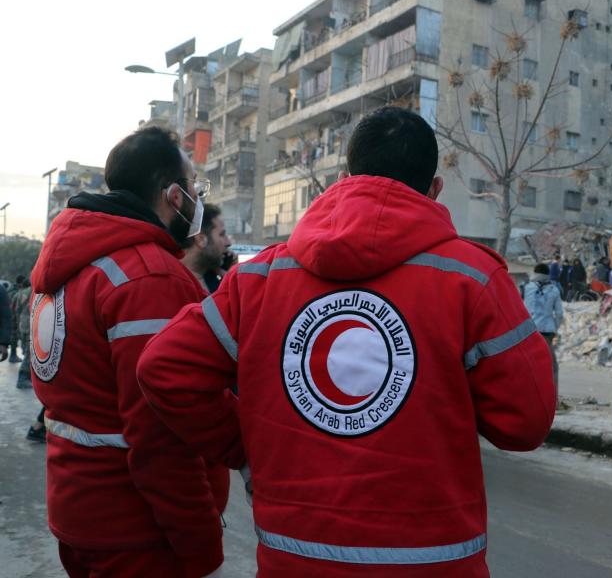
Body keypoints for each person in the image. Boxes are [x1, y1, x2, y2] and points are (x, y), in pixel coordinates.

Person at [138, 107, 556, 577]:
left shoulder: (257, 277)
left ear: (343, 178)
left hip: (293, 560)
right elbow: (526, 423)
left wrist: (244, 447)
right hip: (435, 562)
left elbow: (163, 368)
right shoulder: (473, 279)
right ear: (435, 188)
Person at [30, 126, 229, 577]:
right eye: (196, 184)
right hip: (139, 535)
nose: (199, 195)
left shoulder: (69, 264)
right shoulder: (148, 277)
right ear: (174, 196)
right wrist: (203, 550)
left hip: (80, 515)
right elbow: (161, 437)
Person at [522, 263, 564, 390]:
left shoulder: (526, 288)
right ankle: (552, 399)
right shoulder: (554, 290)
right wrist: (554, 328)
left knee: (528, 366)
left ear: (535, 273)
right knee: (552, 367)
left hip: (529, 333)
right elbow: (559, 314)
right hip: (546, 333)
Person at [181, 202, 233, 294]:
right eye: (222, 234)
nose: (228, 243)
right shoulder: (173, 283)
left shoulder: (215, 281)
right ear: (200, 239)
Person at [8, 275, 27, 363]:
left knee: (14, 334)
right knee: (14, 335)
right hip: (12, 315)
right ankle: (12, 355)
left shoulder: (12, 289)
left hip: (12, 315)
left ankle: (13, 354)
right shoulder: (14, 291)